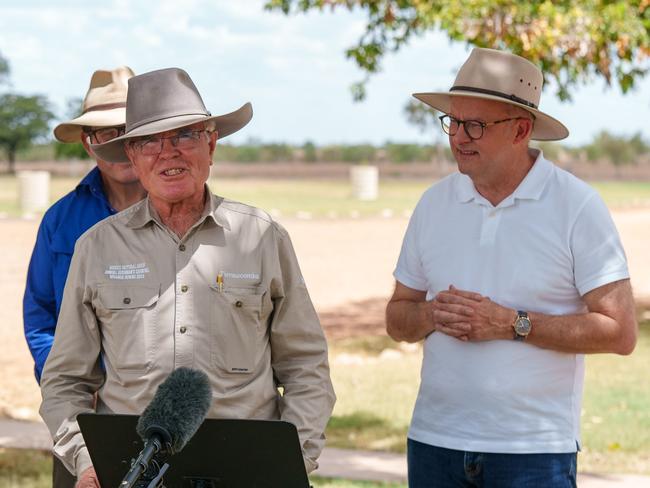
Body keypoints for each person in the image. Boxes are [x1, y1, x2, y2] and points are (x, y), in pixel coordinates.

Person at [39, 67, 335, 488]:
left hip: (246, 474)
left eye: (184, 136)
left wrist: (291, 460)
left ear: (211, 144)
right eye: (150, 142)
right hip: (128, 472)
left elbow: (306, 366)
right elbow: (66, 379)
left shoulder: (263, 236)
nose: (168, 153)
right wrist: (85, 460)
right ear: (133, 158)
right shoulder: (96, 247)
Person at [386, 48, 638, 487]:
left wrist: (511, 324)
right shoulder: (433, 203)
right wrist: (431, 315)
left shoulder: (577, 207)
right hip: (433, 442)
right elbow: (397, 317)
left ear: (522, 129)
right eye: (454, 122)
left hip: (532, 452)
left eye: (476, 125)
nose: (459, 137)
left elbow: (620, 332)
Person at [23, 66, 145, 488]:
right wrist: (69, 380)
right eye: (102, 133)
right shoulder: (60, 220)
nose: (117, 144)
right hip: (82, 422)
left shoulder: (183, 215)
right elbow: (40, 315)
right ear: (87, 143)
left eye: (127, 130)